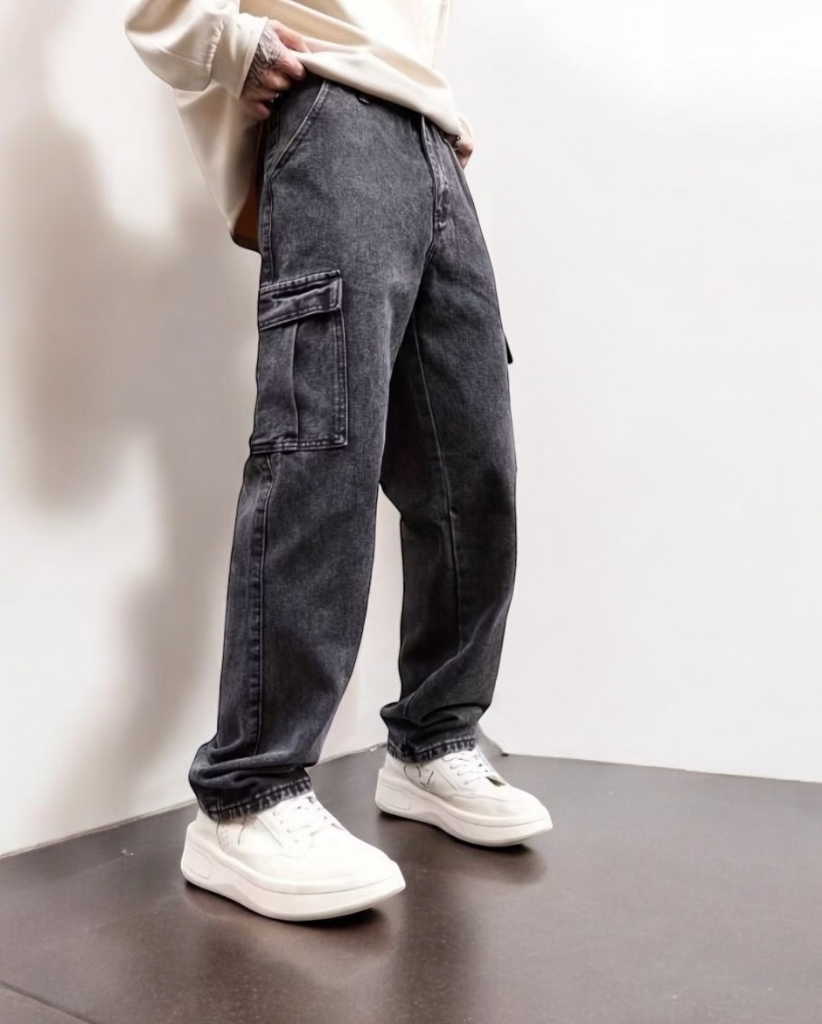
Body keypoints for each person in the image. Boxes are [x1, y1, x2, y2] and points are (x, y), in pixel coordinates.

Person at [125, 0, 552, 922]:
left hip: (433, 142)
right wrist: (226, 43)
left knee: (473, 468)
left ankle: (433, 740)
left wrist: (434, 112)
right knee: (322, 450)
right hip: (334, 115)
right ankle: (249, 793)